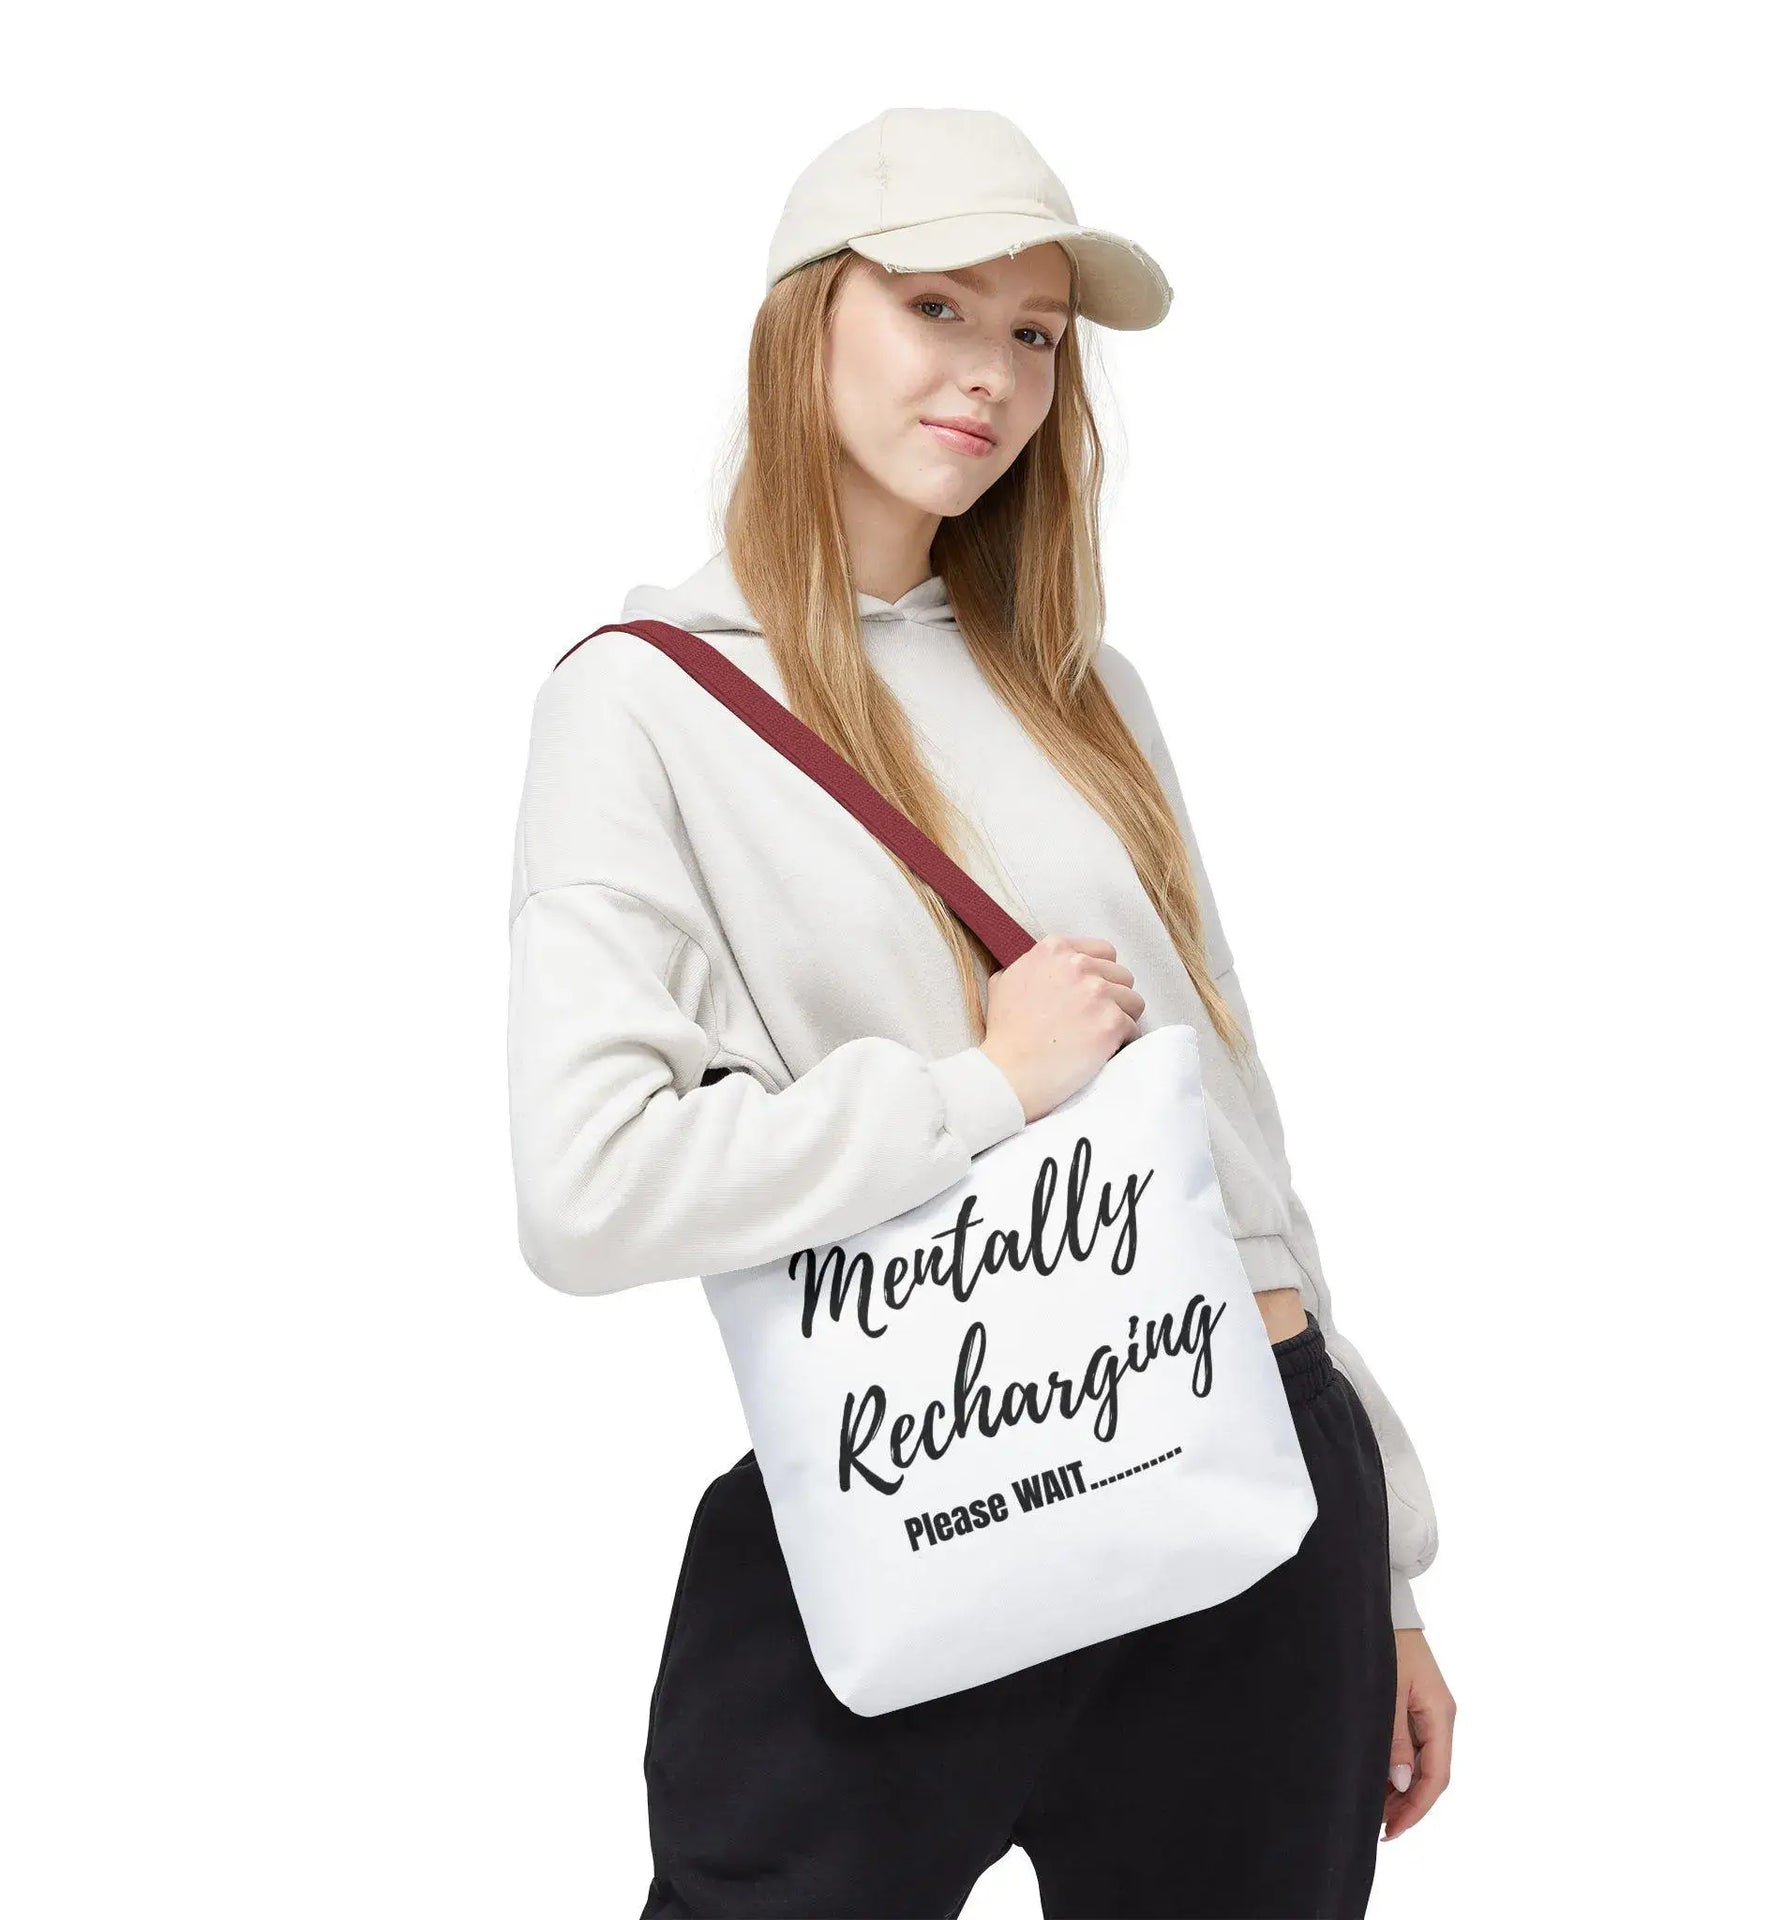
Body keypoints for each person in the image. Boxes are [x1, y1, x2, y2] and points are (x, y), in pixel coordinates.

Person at [507, 106, 1453, 1919]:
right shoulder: (649, 707)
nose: (994, 376)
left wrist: (1388, 1566)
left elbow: (1229, 1130)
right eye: (938, 305)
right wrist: (985, 1089)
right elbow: (588, 1186)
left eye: (1033, 335)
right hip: (918, 1496)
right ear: (809, 321)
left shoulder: (1083, 687)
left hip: (1253, 1492)